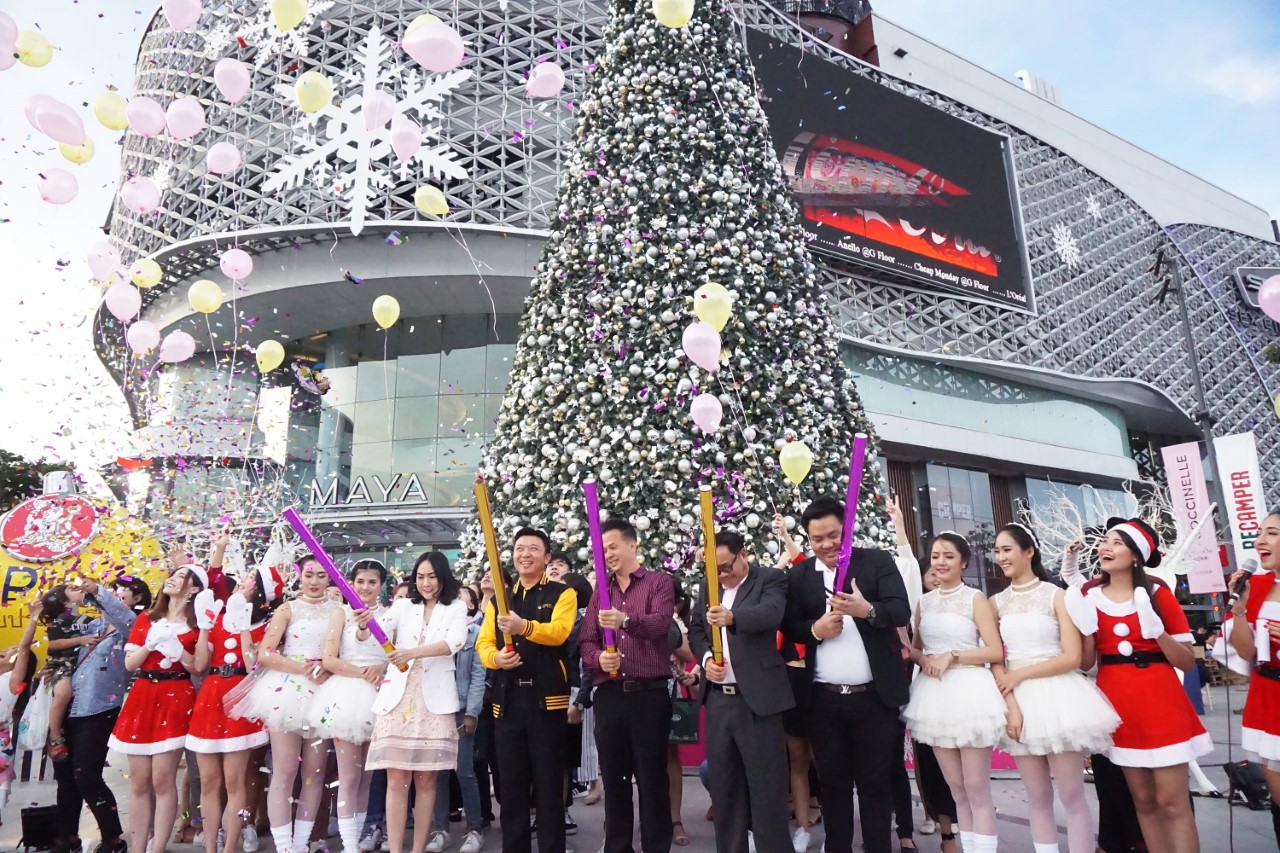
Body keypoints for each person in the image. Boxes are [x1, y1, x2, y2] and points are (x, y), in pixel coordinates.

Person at [1067, 517, 1209, 853]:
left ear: (1135, 555)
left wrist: (1157, 632)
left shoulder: (1157, 592)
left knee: (1172, 802)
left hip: (1161, 701)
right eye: (1105, 541)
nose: (1105, 547)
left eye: (1116, 542)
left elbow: (1186, 661)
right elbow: (1086, 663)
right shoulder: (1089, 594)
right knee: (1143, 800)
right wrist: (1085, 631)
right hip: (1117, 703)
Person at [781, 496, 911, 853]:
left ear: (847, 529)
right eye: (817, 538)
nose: (826, 544)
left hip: (875, 698)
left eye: (833, 535)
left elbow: (900, 610)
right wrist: (816, 630)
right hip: (823, 700)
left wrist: (867, 610)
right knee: (833, 786)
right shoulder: (800, 575)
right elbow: (790, 625)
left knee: (875, 785)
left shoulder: (876, 561)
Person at [990, 523, 1119, 853]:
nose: (1000, 557)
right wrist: (1011, 704)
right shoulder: (996, 602)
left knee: (1072, 796)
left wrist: (1019, 675)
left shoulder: (1057, 596)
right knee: (1036, 797)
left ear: (1028, 551)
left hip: (1059, 697)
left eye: (1007, 549)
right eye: (997, 550)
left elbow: (1073, 657)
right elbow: (995, 659)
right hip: (1018, 703)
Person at [227, 556, 342, 853]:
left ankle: (301, 843)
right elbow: (265, 653)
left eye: (321, 575)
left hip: (324, 691)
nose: (314, 581)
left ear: (329, 578)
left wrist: (328, 668)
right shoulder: (287, 609)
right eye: (309, 575)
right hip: (287, 690)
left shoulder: (339, 610)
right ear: (299, 576)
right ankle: (284, 846)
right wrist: (302, 668)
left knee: (315, 773)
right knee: (285, 769)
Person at [688, 530, 793, 853]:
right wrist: (706, 660)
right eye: (714, 569)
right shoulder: (708, 585)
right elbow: (696, 629)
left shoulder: (769, 579)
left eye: (726, 566)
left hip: (758, 701)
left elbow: (771, 614)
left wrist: (732, 617)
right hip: (719, 700)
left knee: (767, 788)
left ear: (743, 554)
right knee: (724, 788)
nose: (722, 575)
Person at [902, 533, 1005, 853]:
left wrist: (953, 655)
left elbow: (994, 650)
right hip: (934, 697)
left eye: (948, 556)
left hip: (970, 692)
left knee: (976, 788)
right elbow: (916, 650)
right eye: (935, 556)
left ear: (964, 562)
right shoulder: (924, 602)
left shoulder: (975, 598)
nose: (940, 562)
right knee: (956, 788)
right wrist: (923, 658)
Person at [580, 517, 678, 853]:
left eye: (613, 546)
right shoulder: (601, 592)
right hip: (610, 697)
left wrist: (626, 621)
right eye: (603, 549)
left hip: (648, 696)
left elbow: (660, 625)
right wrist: (598, 660)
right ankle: (617, 847)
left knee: (652, 779)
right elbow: (587, 640)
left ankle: (656, 846)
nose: (608, 554)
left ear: (632, 545)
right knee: (614, 779)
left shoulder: (658, 583)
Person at [477, 527, 577, 853]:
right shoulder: (500, 599)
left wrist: (524, 627)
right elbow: (484, 643)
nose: (525, 554)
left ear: (546, 558)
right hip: (508, 702)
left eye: (534, 549)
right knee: (511, 787)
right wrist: (496, 659)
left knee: (549, 785)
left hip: (547, 701)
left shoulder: (562, 594)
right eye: (520, 548)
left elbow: (559, 633)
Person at [367, 551, 468, 853]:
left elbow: (453, 643)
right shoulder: (402, 606)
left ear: (443, 577)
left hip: (434, 701)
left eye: (432, 576)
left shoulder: (456, 607)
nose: (426, 583)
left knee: (426, 781)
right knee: (396, 778)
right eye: (421, 577)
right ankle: (396, 849)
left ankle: (418, 849)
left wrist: (411, 653)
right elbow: (377, 633)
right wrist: (363, 625)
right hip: (397, 699)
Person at [109, 563, 207, 853]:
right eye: (173, 575)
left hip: (176, 695)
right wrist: (150, 644)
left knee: (163, 779)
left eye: (182, 577)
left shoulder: (197, 625)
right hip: (143, 695)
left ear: (194, 588)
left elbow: (198, 667)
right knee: (139, 781)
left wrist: (179, 650)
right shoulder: (147, 618)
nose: (172, 580)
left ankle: (158, 848)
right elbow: (130, 663)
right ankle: (138, 847)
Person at [187, 563, 282, 853]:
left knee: (234, 781)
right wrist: (204, 628)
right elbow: (200, 665)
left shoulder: (267, 625)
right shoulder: (217, 618)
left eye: (252, 579)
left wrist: (243, 629)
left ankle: (231, 845)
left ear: (262, 592)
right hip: (211, 697)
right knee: (208, 781)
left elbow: (254, 664)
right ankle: (210, 847)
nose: (243, 581)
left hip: (241, 697)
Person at [311, 560, 390, 853]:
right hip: (346, 696)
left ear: (381, 585)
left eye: (372, 582)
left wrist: (382, 668)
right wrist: (363, 673)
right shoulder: (340, 613)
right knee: (349, 776)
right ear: (351, 583)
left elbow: (394, 655)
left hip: (380, 696)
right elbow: (329, 659)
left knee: (367, 777)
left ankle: (356, 839)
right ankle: (349, 844)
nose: (365, 588)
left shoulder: (390, 615)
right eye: (360, 581)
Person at [1225, 510, 1280, 847]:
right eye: (1260, 532)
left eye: (1272, 533)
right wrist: (1240, 608)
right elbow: (1246, 652)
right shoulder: (1256, 586)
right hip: (1270, 700)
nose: (1261, 540)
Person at [426, 565, 486, 853]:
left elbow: (478, 676)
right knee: (437, 773)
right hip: (436, 708)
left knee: (465, 771)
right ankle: (440, 830)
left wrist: (472, 712)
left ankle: (475, 829)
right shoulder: (432, 630)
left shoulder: (474, 634)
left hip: (461, 710)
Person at [38, 583, 92, 762]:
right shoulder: (59, 620)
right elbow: (54, 644)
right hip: (62, 664)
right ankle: (54, 734)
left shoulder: (88, 619)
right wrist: (81, 640)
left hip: (84, 666)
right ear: (63, 600)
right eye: (72, 590)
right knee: (63, 693)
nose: (78, 590)